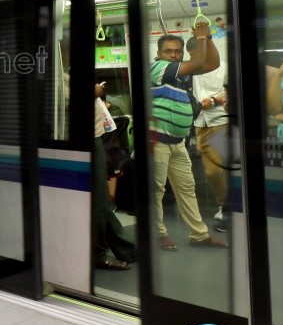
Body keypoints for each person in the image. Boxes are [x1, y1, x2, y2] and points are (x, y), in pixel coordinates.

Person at [149, 21, 228, 250]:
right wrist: (201, 37)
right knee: (156, 191)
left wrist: (208, 38)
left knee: (187, 189)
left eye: (177, 51)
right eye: (168, 51)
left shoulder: (182, 74)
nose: (173, 55)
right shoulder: (157, 68)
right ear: (159, 53)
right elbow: (198, 61)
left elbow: (210, 62)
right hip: (157, 141)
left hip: (178, 142)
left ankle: (199, 235)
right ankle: (159, 233)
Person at [187, 35, 230, 231]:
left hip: (220, 122)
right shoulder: (191, 70)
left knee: (218, 169)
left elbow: (231, 91)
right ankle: (225, 205)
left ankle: (227, 207)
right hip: (200, 123)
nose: (194, 59)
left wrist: (213, 101)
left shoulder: (224, 66)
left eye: (196, 54)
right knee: (210, 171)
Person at [93, 82, 136, 270]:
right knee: (98, 202)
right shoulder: (63, 76)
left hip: (96, 136)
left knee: (100, 200)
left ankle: (127, 249)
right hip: (89, 137)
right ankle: (97, 254)